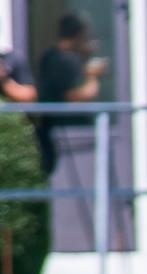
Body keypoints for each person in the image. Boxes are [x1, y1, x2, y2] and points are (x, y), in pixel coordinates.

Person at [36, 12, 108, 174]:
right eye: (85, 36)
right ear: (78, 35)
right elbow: (78, 96)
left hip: (53, 129)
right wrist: (93, 77)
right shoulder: (65, 60)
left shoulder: (50, 57)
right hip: (68, 133)